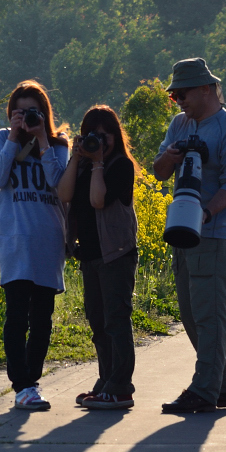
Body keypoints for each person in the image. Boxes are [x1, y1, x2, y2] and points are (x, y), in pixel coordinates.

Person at [153, 57, 226, 414]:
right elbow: (159, 172)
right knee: (192, 314)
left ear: (208, 89)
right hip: (182, 229)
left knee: (210, 315)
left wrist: (206, 212)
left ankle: (203, 390)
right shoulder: (179, 124)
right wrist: (172, 156)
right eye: (174, 94)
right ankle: (221, 386)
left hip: (214, 233)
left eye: (183, 92)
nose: (178, 99)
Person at [0, 80, 70, 411]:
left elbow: (58, 184)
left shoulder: (58, 145)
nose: (24, 117)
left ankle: (31, 382)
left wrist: (41, 140)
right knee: (16, 315)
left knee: (42, 318)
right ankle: (21, 384)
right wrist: (12, 136)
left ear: (44, 113)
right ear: (10, 114)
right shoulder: (1, 139)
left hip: (47, 239)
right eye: (18, 112)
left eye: (31, 112)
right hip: (13, 238)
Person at [56, 105, 140, 410]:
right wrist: (78, 157)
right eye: (93, 135)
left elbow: (97, 200)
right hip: (90, 254)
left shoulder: (121, 166)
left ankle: (121, 385)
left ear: (116, 136)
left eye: (106, 135)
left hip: (116, 253)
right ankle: (106, 380)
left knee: (116, 319)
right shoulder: (81, 165)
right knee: (97, 320)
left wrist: (99, 163)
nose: (100, 141)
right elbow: (64, 195)